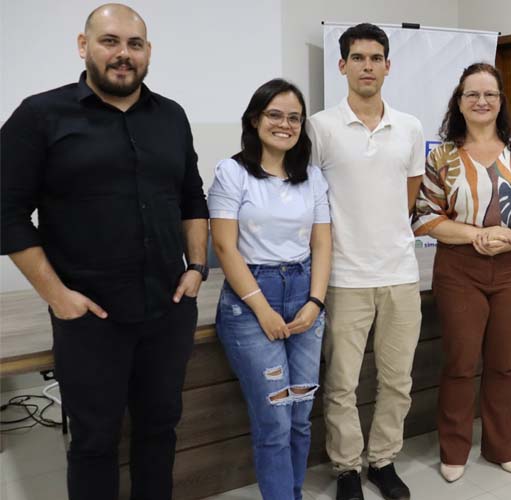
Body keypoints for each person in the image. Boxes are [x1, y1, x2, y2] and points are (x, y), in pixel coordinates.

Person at [0, 4, 208, 499]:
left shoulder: (171, 116)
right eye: (110, 41)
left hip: (168, 309)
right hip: (90, 319)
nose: (123, 54)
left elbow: (191, 197)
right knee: (94, 442)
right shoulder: (40, 115)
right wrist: (59, 297)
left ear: (148, 52)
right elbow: (5, 213)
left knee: (160, 430)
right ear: (83, 45)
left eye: (134, 44)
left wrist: (197, 266)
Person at [413, 62, 511, 483]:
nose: (481, 101)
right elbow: (425, 216)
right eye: (472, 94)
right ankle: (454, 448)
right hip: (459, 268)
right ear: (459, 103)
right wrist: (476, 235)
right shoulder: (442, 155)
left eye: (490, 94)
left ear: (500, 101)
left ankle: (501, 447)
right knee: (460, 362)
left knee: (503, 363)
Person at [306, 23, 424, 500]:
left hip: (400, 274)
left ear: (388, 66)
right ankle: (347, 469)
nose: (367, 66)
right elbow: (312, 200)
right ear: (342, 65)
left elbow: (408, 198)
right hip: (344, 276)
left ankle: (383, 461)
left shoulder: (410, 127)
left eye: (376, 58)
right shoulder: (320, 127)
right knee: (341, 383)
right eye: (358, 58)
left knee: (397, 380)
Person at [208, 79, 331, 500]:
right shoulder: (232, 172)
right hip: (250, 301)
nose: (285, 124)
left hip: (304, 293)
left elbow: (322, 243)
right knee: (275, 420)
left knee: (300, 415)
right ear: (255, 120)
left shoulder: (312, 177)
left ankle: (292, 492)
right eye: (275, 115)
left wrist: (316, 301)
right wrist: (262, 310)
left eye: (294, 117)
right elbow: (224, 247)